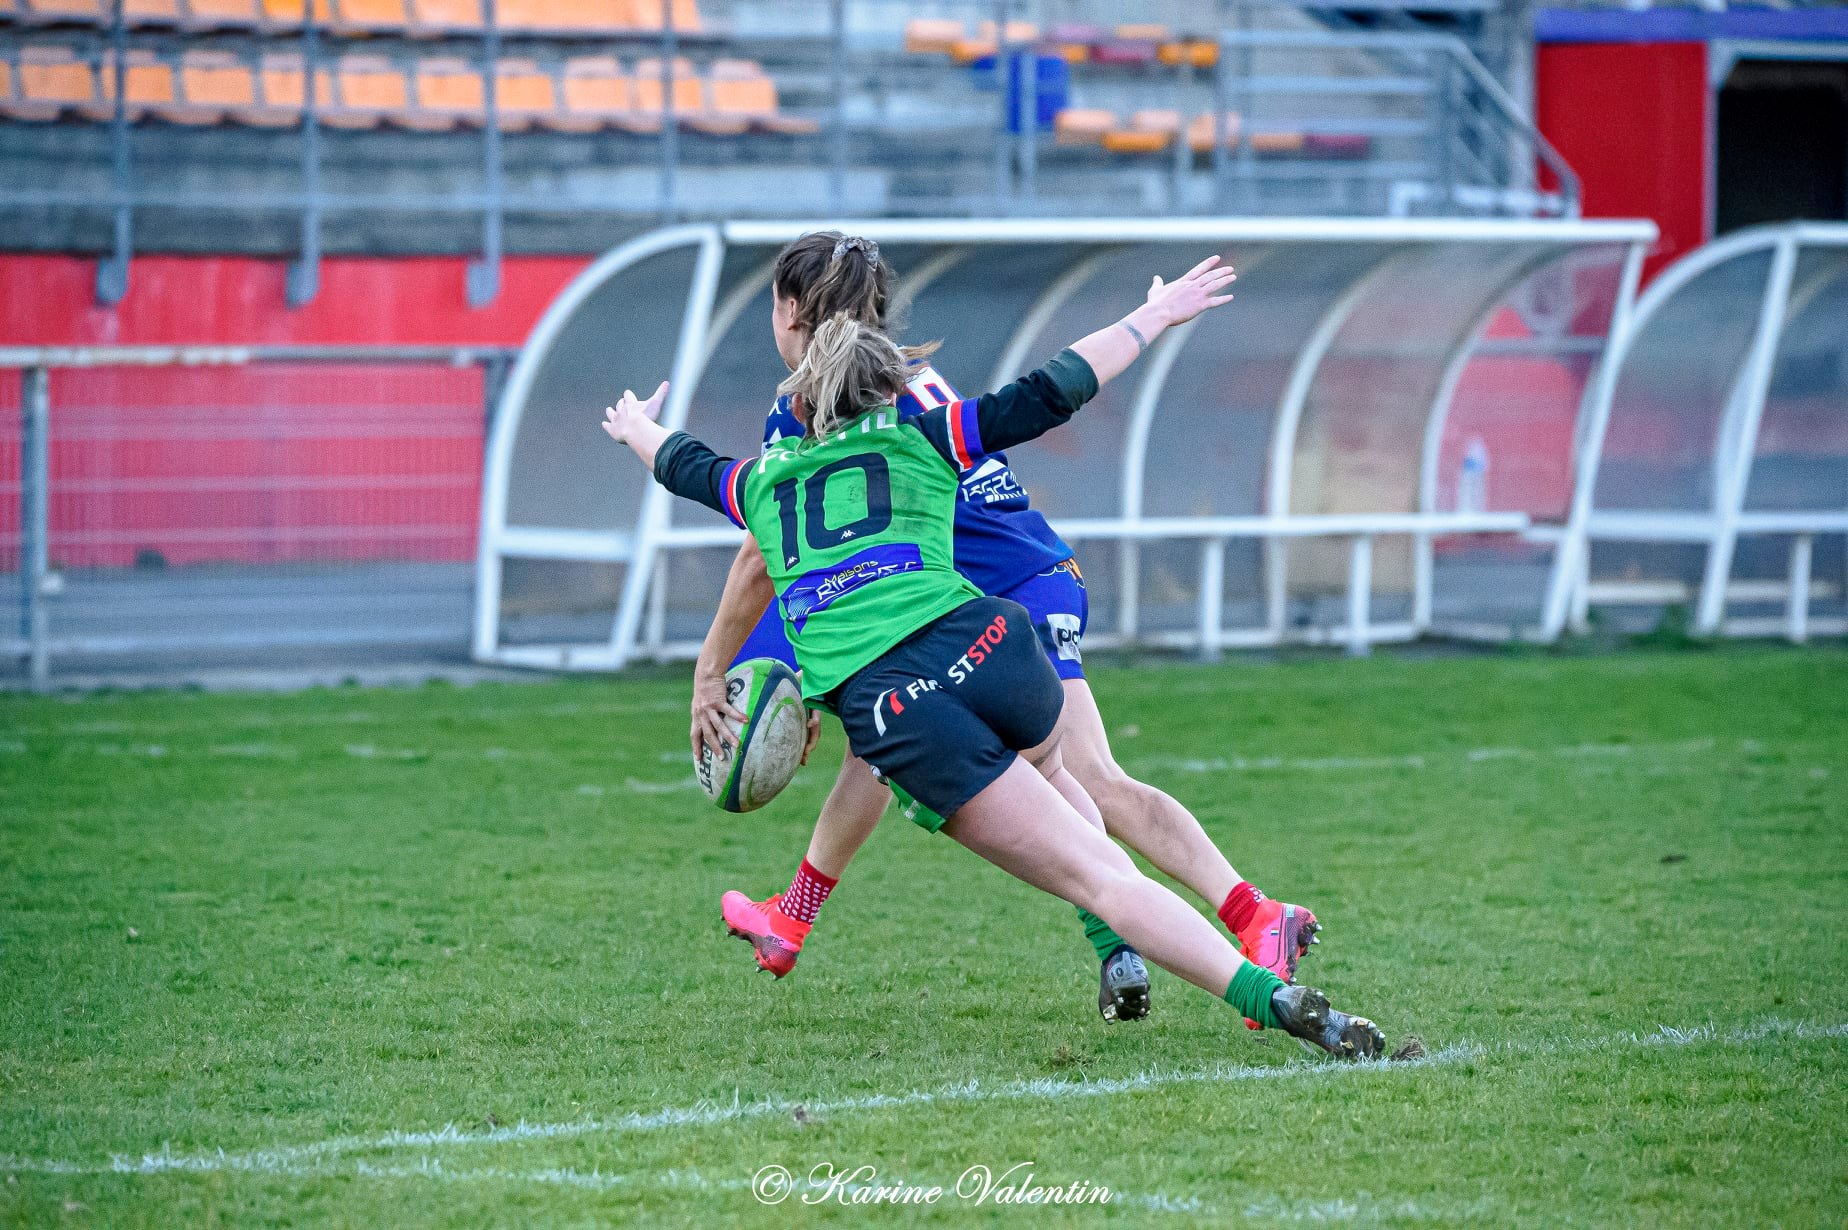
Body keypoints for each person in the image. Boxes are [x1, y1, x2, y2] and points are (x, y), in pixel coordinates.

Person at [599, 254, 1386, 1060]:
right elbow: (1052, 390)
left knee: (1093, 869)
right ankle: (1187, 952)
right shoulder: (922, 426)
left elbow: (686, 467)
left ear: (798, 350)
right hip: (995, 643)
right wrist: (1153, 317)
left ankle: (1270, 988)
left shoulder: (765, 474)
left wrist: (633, 428)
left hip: (907, 694)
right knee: (1079, 813)